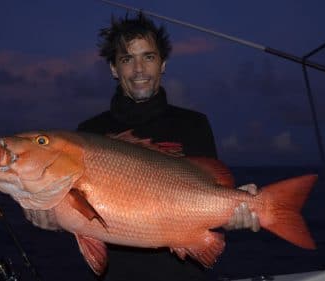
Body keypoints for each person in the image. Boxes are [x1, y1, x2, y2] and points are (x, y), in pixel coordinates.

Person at [77, 12, 259, 281]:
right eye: (128, 59)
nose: (139, 70)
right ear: (114, 69)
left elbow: (211, 193)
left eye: (148, 57)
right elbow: (76, 211)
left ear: (162, 64)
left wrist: (237, 211)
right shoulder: (89, 133)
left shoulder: (194, 124)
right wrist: (47, 214)